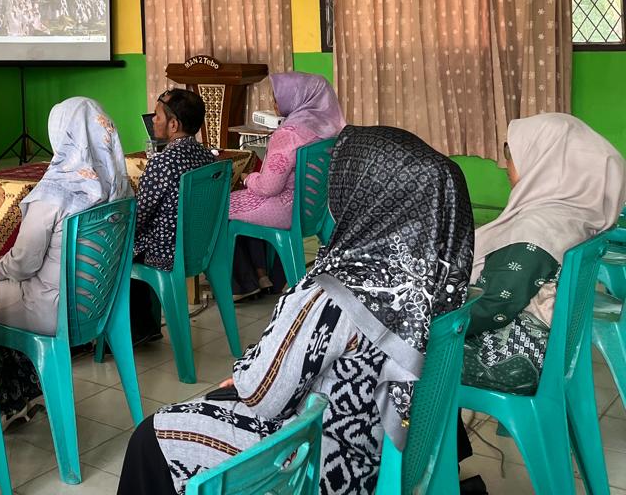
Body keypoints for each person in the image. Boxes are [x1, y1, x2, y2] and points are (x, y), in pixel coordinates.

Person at [118, 125, 473, 495]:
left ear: (361, 198)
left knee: (153, 436)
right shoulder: (439, 286)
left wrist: (244, 376)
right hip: (385, 451)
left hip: (322, 462)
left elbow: (265, 397)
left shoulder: (334, 296)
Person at [461, 113, 626, 395]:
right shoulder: (580, 216)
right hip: (553, 352)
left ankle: (428, 435)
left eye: (512, 157)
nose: (506, 167)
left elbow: (494, 306)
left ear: (546, 163)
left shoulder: (537, 228)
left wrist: (428, 322)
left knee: (394, 354)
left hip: (512, 359)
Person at [0, 97, 132, 420]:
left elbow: (23, 264)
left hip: (50, 309)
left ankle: (1, 402)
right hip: (99, 303)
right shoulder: (119, 189)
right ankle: (21, 391)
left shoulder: (53, 195)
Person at [230, 71, 344, 298]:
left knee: (222, 205)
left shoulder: (289, 134)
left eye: (277, 98)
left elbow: (268, 187)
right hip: (315, 209)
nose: (275, 103)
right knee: (244, 201)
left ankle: (242, 285)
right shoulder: (331, 130)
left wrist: (247, 178)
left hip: (284, 210)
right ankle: (268, 276)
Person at [130, 88, 215, 341]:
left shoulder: (162, 163)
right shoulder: (206, 157)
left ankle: (133, 332)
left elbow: (140, 217)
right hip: (198, 248)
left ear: (174, 124)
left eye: (157, 116)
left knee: (120, 247)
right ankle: (144, 328)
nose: (153, 121)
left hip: (166, 253)